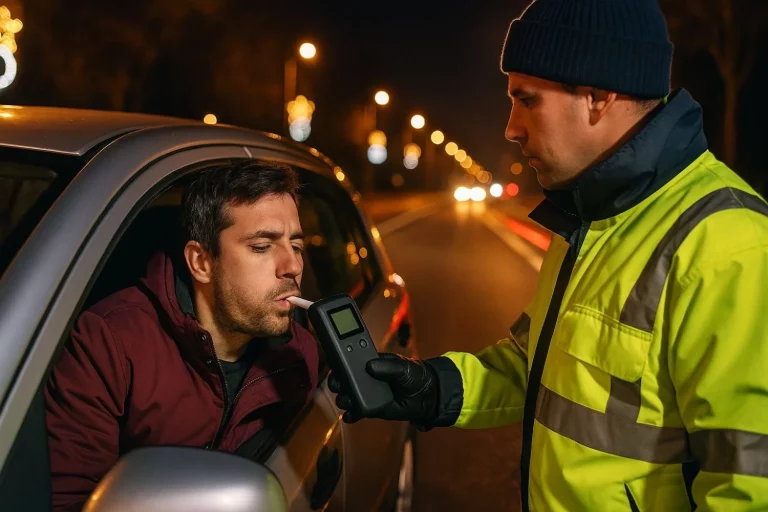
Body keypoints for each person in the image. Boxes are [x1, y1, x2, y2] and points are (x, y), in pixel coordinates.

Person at [330, 0, 768, 510]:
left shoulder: (729, 243)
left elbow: (750, 486)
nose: (510, 128)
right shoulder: (589, 218)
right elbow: (535, 365)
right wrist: (432, 388)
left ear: (598, 96)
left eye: (527, 100)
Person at [45, 161, 319, 511]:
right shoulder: (109, 342)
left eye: (296, 246)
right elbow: (69, 500)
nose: (293, 265)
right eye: (262, 247)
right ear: (201, 262)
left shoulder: (298, 353)